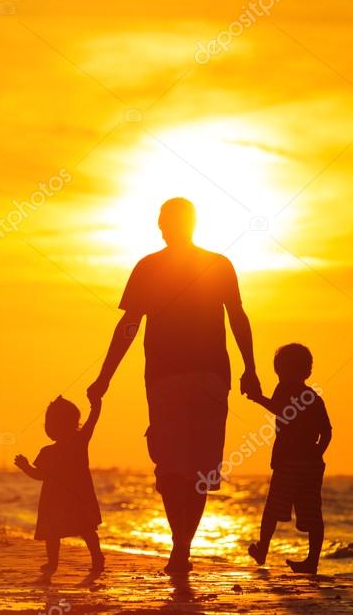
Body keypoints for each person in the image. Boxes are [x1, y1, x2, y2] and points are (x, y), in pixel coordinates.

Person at [87, 197, 261, 574]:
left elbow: (129, 327)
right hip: (208, 377)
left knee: (172, 468)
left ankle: (180, 547)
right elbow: (238, 318)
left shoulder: (152, 267)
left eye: (165, 221)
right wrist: (250, 369)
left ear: (169, 225)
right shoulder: (216, 264)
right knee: (196, 470)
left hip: (171, 379)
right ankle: (182, 546)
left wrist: (105, 377)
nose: (163, 227)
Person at [247, 343, 332, 574]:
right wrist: (317, 452)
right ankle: (311, 561)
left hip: (290, 462)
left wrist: (258, 398)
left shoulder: (284, 389)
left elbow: (280, 408)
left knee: (274, 507)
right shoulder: (314, 397)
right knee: (312, 513)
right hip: (311, 464)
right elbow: (327, 431)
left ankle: (263, 549)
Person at [14, 395, 104, 581]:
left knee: (86, 528)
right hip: (55, 499)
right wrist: (24, 466)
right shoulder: (47, 452)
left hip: (77, 496)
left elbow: (92, 421)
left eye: (56, 423)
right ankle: (53, 562)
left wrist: (96, 405)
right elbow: (39, 475)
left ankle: (97, 558)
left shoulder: (79, 441)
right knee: (53, 533)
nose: (52, 427)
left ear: (72, 423)